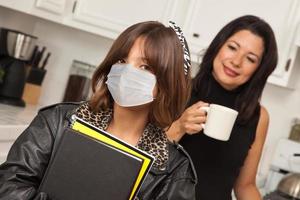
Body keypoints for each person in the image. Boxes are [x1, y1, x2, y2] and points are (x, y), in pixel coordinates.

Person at [0, 21, 197, 200]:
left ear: (167, 83)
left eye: (145, 66)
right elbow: (9, 186)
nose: (127, 71)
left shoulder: (174, 171)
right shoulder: (57, 121)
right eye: (121, 61)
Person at [167, 15, 278, 200]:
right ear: (219, 45)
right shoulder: (178, 89)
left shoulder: (258, 117)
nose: (236, 61)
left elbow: (245, 186)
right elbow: (144, 157)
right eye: (232, 48)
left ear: (259, 70)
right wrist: (178, 128)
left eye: (250, 59)